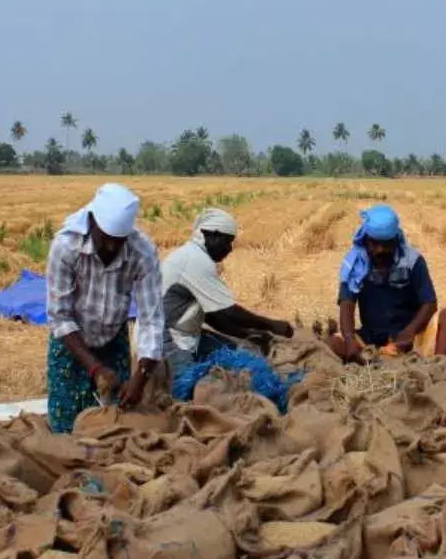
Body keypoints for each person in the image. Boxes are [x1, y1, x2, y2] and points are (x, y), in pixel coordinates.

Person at [45, 183, 165, 433]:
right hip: (71, 342)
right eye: (105, 239)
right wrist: (95, 368)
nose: (111, 247)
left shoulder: (142, 251)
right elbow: (60, 316)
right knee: (66, 426)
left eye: (118, 241)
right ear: (92, 223)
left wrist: (141, 377)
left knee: (116, 424)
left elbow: (152, 318)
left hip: (113, 340)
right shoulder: (66, 247)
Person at [161, 207, 294, 379]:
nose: (230, 249)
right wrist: (272, 325)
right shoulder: (195, 261)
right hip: (167, 339)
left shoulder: (194, 255)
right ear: (213, 235)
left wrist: (247, 334)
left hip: (187, 334)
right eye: (227, 242)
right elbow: (228, 312)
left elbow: (214, 316)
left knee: (238, 356)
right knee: (187, 388)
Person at [328, 204, 446, 362]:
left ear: (396, 240)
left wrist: (410, 331)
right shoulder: (355, 264)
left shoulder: (413, 261)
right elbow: (347, 303)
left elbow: (429, 303)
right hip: (372, 340)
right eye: (374, 243)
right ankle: (369, 360)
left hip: (413, 339)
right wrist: (350, 339)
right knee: (333, 343)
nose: (380, 250)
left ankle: (438, 365)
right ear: (365, 240)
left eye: (386, 244)